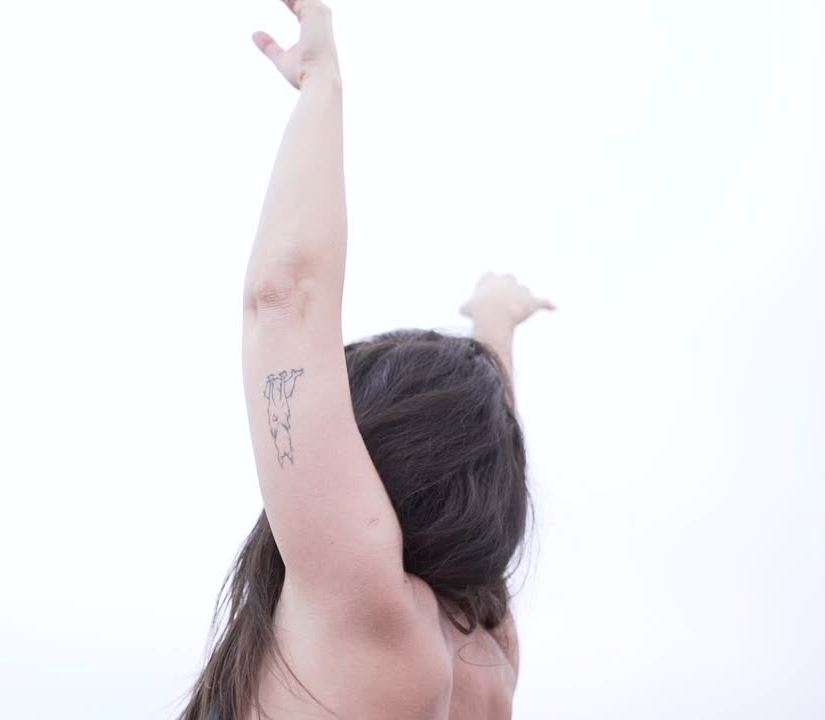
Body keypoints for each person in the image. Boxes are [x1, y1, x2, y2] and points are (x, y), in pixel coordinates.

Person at [179, 2, 553, 718]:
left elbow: (286, 297)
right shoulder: (491, 659)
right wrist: (494, 326)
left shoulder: (366, 610)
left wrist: (322, 87)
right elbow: (483, 463)